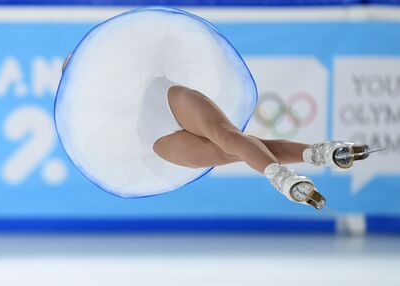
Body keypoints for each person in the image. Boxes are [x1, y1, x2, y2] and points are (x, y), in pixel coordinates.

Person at [61, 54, 370, 210]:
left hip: (161, 96)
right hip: (152, 134)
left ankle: (283, 177)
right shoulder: (88, 103)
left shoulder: (116, 60)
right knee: (228, 152)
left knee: (227, 136)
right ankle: (320, 153)